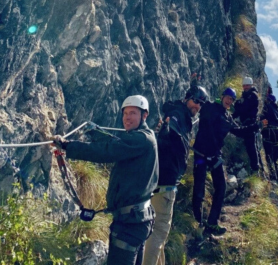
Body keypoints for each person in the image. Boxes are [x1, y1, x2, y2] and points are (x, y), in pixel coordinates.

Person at [51, 95, 158, 265]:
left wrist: (67, 145)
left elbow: (107, 151)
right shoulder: (143, 137)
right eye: (125, 114)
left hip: (130, 224)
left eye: (133, 113)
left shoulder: (142, 139)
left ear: (144, 115)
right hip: (136, 219)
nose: (127, 118)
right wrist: (95, 133)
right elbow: (117, 144)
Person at [143, 86, 208, 265]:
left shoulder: (178, 114)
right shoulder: (178, 116)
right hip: (165, 186)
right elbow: (170, 131)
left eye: (201, 104)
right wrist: (167, 131)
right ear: (188, 98)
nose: (198, 106)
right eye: (196, 101)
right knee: (158, 234)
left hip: (158, 183)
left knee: (158, 235)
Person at [192, 87, 264, 236]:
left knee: (221, 187)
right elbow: (197, 99)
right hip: (201, 154)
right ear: (222, 96)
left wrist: (258, 126)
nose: (229, 100)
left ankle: (212, 223)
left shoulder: (227, 117)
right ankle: (198, 224)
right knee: (199, 191)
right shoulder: (209, 107)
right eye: (227, 97)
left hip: (214, 156)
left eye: (232, 99)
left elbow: (240, 131)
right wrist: (194, 82)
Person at [232, 76, 262, 173]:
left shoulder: (252, 95)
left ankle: (255, 167)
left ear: (251, 85)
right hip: (246, 122)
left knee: (251, 145)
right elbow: (240, 109)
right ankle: (255, 166)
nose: (245, 87)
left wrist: (237, 105)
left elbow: (243, 108)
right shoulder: (246, 95)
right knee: (251, 145)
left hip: (250, 122)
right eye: (244, 85)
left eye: (247, 85)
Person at [260, 92, 278, 182]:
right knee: (275, 156)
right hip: (277, 133)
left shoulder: (267, 107)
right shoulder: (277, 110)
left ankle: (272, 174)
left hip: (268, 132)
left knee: (268, 154)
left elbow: (262, 116)